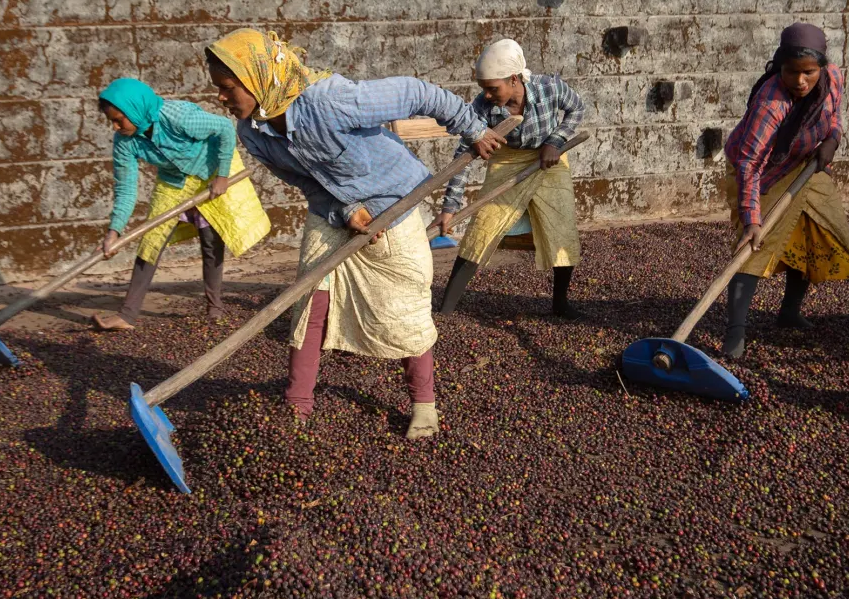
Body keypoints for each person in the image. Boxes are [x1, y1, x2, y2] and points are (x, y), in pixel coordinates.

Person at [205, 28, 500, 440]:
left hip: (394, 205)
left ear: (257, 79)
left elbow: (418, 93)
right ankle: (297, 408)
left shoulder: (329, 100)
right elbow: (306, 184)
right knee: (308, 304)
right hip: (332, 214)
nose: (221, 97)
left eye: (227, 87)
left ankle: (424, 405)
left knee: (407, 307)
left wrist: (473, 128)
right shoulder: (252, 133)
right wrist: (344, 211)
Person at [719, 22, 849, 359]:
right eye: (791, 72)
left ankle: (789, 312)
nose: (800, 81)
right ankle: (735, 333)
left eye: (808, 72)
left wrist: (833, 139)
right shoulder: (771, 104)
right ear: (779, 66)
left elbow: (835, 114)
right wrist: (751, 220)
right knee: (752, 247)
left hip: (807, 165)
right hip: (763, 173)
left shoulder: (833, 79)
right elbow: (749, 164)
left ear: (821, 68)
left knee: (812, 232)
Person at [92, 78, 270, 330]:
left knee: (211, 239)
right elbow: (126, 188)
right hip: (173, 180)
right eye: (112, 120)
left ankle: (215, 307)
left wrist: (221, 176)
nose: (115, 125)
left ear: (134, 110)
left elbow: (225, 128)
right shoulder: (125, 141)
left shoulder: (177, 117)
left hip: (210, 171)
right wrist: (114, 231)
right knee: (150, 241)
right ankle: (127, 315)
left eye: (119, 119)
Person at [433, 39, 586, 317]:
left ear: (514, 79)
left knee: (562, 227)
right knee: (482, 227)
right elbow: (463, 157)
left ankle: (561, 303)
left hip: (548, 158)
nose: (487, 95)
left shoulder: (550, 87)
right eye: (484, 89)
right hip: (508, 159)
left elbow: (577, 108)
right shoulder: (482, 107)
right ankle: (446, 309)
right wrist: (449, 208)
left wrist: (556, 140)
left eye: (493, 89)